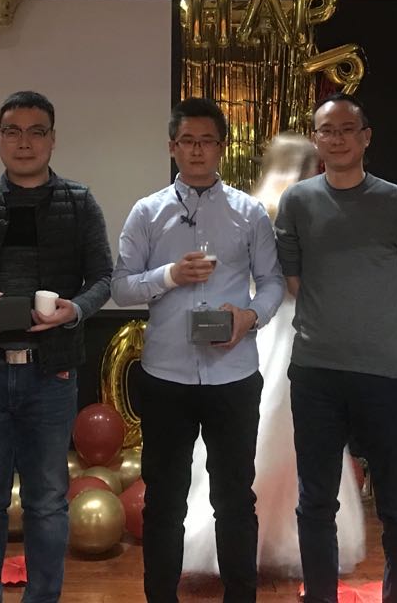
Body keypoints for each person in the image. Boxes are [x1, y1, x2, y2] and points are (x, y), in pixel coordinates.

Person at [0, 91, 113, 603]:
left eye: (36, 132)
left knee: (48, 502)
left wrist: (74, 310)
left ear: (52, 139)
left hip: (51, 373)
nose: (24, 142)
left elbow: (103, 278)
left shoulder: (79, 202)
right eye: (13, 131)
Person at [112, 96, 285, 603]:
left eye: (207, 141)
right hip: (167, 377)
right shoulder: (147, 212)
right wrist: (170, 275)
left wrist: (250, 316)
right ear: (172, 147)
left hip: (233, 374)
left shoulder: (249, 213)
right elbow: (120, 287)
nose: (196, 150)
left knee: (235, 500)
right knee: (165, 503)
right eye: (187, 140)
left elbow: (272, 282)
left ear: (222, 148)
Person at [182, 133, 365, 577]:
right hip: (285, 329)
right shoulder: (297, 210)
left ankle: (244, 541)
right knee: (282, 436)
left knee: (263, 435)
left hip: (259, 329)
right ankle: (275, 539)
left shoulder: (247, 208)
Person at [276, 93, 397, 603]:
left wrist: (388, 331)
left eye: (347, 129)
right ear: (315, 139)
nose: (337, 138)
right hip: (316, 373)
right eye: (327, 130)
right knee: (316, 502)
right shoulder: (298, 202)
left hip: (385, 373)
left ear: (366, 137)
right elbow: (293, 278)